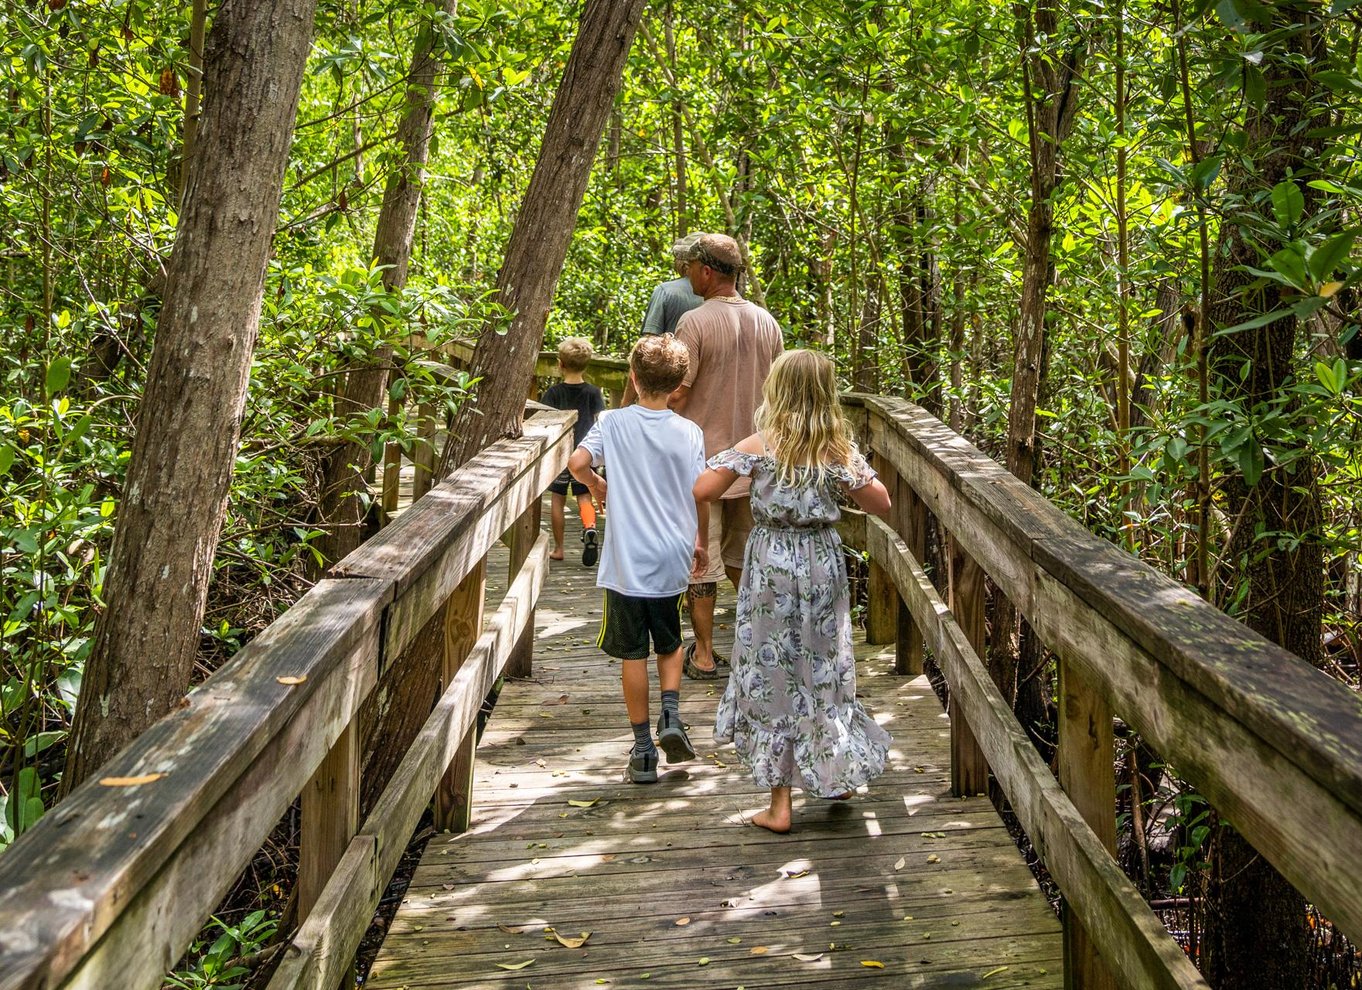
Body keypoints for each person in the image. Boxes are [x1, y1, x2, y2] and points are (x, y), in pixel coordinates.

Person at [694, 349, 893, 833]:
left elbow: (703, 489)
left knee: (773, 671)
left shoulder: (761, 444)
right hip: (821, 563)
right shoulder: (834, 449)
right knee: (823, 666)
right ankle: (834, 772)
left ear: (777, 391)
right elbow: (881, 502)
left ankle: (780, 806)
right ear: (826, 396)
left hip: (769, 569)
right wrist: (845, 470)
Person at [569, 334, 709, 784]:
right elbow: (699, 492)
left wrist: (595, 484)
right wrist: (700, 540)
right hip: (671, 555)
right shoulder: (689, 432)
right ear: (678, 385)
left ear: (633, 377)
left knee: (633, 654)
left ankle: (644, 749)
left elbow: (576, 462)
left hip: (627, 562)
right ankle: (672, 715)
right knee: (669, 644)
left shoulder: (611, 423)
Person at [670, 232, 783, 679]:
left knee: (702, 561)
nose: (688, 275)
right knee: (744, 557)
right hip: (756, 462)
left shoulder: (693, 324)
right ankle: (758, 643)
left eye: (692, 267)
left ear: (706, 271)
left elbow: (679, 392)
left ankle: (702, 653)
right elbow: (778, 394)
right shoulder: (767, 323)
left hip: (705, 466)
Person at [620, 232, 706, 406]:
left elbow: (645, 352)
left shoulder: (665, 292)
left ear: (685, 262)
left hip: (667, 397)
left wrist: (626, 402)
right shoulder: (718, 298)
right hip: (702, 399)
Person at [542, 337, 606, 566]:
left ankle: (559, 548)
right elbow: (600, 421)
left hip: (560, 455)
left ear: (560, 364)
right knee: (584, 496)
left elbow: (545, 421)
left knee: (557, 500)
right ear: (586, 364)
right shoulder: (593, 393)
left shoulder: (553, 393)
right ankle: (589, 528)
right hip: (585, 454)